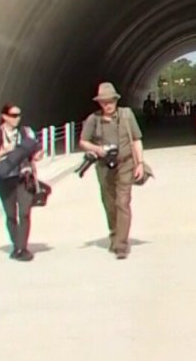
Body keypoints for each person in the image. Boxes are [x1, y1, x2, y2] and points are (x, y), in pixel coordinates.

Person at [78, 82, 146, 260]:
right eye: (104, 102)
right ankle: (115, 234)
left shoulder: (126, 115)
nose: (107, 105)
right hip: (104, 166)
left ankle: (121, 244)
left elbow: (137, 139)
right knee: (109, 203)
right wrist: (97, 149)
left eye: (110, 101)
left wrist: (140, 163)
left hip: (125, 163)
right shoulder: (94, 119)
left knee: (122, 202)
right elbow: (83, 142)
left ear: (116, 100)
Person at [0, 104, 42, 261]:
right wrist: (4, 151)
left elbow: (36, 150)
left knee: (24, 212)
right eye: (13, 115)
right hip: (5, 180)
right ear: (4, 116)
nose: (17, 118)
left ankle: (22, 248)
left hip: (24, 178)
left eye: (19, 115)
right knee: (10, 215)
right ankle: (17, 246)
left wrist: (37, 155)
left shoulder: (26, 132)